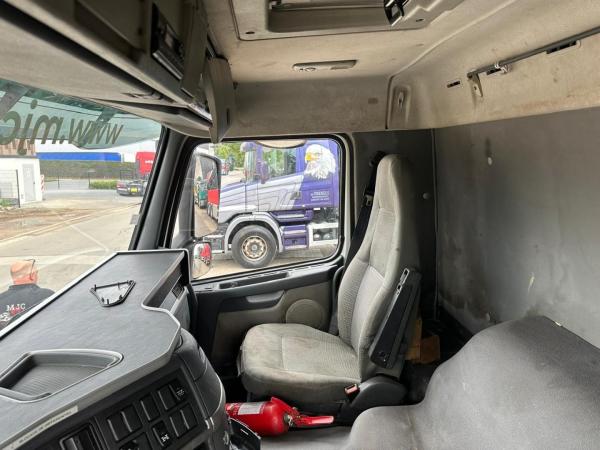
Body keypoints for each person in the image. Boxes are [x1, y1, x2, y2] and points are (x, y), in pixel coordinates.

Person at [0, 260, 54, 328]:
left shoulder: (1, 299)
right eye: (36, 273)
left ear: (13, 277)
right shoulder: (45, 295)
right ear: (32, 275)